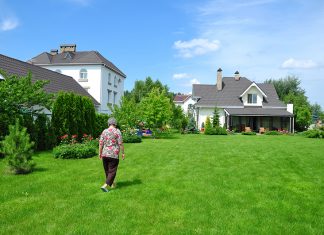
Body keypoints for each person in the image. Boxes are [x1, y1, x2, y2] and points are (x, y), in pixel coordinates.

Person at [99, 117, 125, 192]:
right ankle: (105, 185)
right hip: (114, 154)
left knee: (107, 170)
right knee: (112, 171)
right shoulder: (117, 131)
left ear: (108, 123)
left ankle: (112, 184)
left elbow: (101, 143)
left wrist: (100, 153)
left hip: (105, 153)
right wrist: (123, 153)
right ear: (115, 124)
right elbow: (120, 143)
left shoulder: (104, 131)